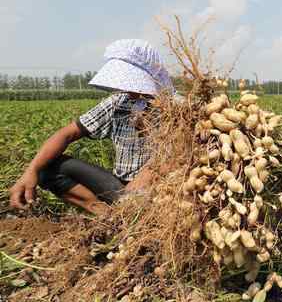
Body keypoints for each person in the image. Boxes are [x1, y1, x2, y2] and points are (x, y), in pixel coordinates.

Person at [9, 39, 173, 215]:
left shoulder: (178, 110)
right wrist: (31, 170)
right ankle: (107, 216)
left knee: (146, 198)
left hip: (162, 189)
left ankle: (133, 213)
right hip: (120, 189)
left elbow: (180, 154)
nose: (128, 88)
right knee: (46, 167)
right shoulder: (118, 103)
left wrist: (147, 177)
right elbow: (66, 134)